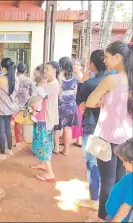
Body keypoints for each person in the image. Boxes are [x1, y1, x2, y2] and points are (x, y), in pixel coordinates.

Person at [86, 40, 133, 221]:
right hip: (128, 140)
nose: (104, 60)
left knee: (106, 182)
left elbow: (90, 101)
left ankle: (101, 218)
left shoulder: (111, 80)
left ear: (117, 57)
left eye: (106, 56)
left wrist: (103, 100)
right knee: (122, 182)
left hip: (107, 138)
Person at [76, 49, 108, 213]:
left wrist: (82, 80)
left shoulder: (90, 83)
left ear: (92, 64)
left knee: (92, 163)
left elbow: (80, 105)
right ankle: (106, 199)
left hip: (92, 125)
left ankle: (94, 199)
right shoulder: (116, 80)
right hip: (109, 128)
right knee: (109, 164)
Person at [31, 61, 60, 183]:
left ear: (54, 70)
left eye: (47, 69)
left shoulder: (52, 84)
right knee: (43, 141)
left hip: (45, 118)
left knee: (44, 143)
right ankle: (44, 164)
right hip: (43, 117)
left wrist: (31, 100)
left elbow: (37, 97)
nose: (45, 72)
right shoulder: (51, 83)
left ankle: (50, 173)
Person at [0, 58, 19, 159]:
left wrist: (0, 96)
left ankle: (2, 153)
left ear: (3, 68)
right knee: (8, 129)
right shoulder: (16, 79)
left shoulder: (0, 79)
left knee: (1, 130)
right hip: (10, 108)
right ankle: (9, 150)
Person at [53, 57, 78, 156]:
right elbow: (75, 92)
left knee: (57, 128)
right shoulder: (74, 76)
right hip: (72, 104)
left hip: (60, 104)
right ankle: (66, 150)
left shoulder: (58, 76)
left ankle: (56, 148)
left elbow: (56, 91)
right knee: (68, 128)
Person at [105, 139, 133, 222]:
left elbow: (126, 207)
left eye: (124, 161)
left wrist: (115, 221)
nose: (123, 164)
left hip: (118, 218)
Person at [14, 62, 33, 147]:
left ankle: (18, 141)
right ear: (25, 70)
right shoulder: (29, 80)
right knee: (26, 121)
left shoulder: (14, 79)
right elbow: (32, 92)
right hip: (26, 103)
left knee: (17, 122)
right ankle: (27, 138)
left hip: (16, 103)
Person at [72, 59, 84, 147]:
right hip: (77, 100)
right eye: (74, 64)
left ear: (80, 67)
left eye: (77, 64)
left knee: (77, 119)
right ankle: (78, 139)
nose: (75, 66)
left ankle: (79, 139)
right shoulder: (76, 75)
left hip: (78, 101)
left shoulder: (79, 76)